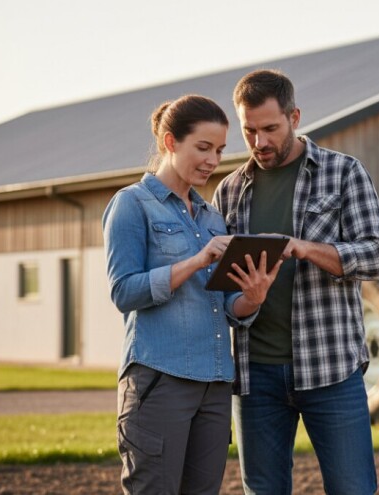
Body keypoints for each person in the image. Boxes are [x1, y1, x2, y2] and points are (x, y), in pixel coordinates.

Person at [212, 69, 379, 494]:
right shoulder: (229, 192)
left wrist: (305, 248)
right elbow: (220, 292)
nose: (260, 143)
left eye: (270, 128)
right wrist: (245, 297)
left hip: (331, 369)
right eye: (249, 130)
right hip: (256, 378)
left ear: (295, 116)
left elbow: (377, 255)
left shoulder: (343, 173)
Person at [103, 94, 282, 494]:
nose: (212, 160)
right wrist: (195, 261)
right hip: (159, 380)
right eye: (203, 148)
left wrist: (253, 296)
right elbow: (123, 291)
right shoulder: (132, 205)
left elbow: (225, 306)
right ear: (170, 142)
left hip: (216, 383)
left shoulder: (213, 218)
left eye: (219, 150)